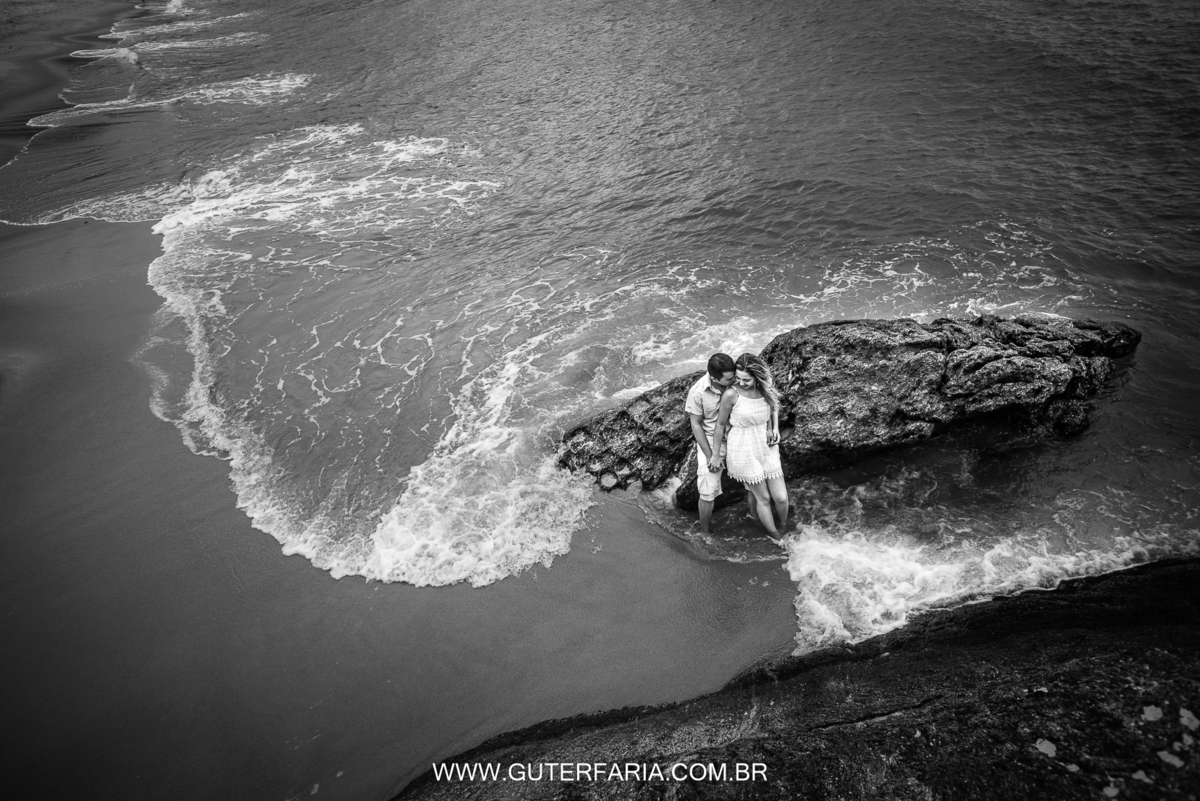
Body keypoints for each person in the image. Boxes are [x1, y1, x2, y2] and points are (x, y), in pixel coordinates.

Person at [711, 352, 788, 541]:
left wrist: (773, 427)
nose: (740, 383)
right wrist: (715, 455)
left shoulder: (765, 388)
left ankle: (784, 526)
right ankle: (777, 536)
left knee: (781, 498)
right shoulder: (732, 394)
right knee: (764, 498)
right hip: (743, 448)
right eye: (738, 378)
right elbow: (720, 425)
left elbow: (773, 406)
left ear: (757, 376)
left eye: (746, 379)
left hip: (766, 445)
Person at [684, 353, 736, 534]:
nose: (734, 380)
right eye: (729, 379)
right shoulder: (697, 392)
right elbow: (696, 425)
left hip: (739, 435)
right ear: (714, 378)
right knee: (708, 488)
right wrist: (710, 456)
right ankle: (705, 533)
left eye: (734, 376)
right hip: (713, 440)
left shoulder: (738, 380)